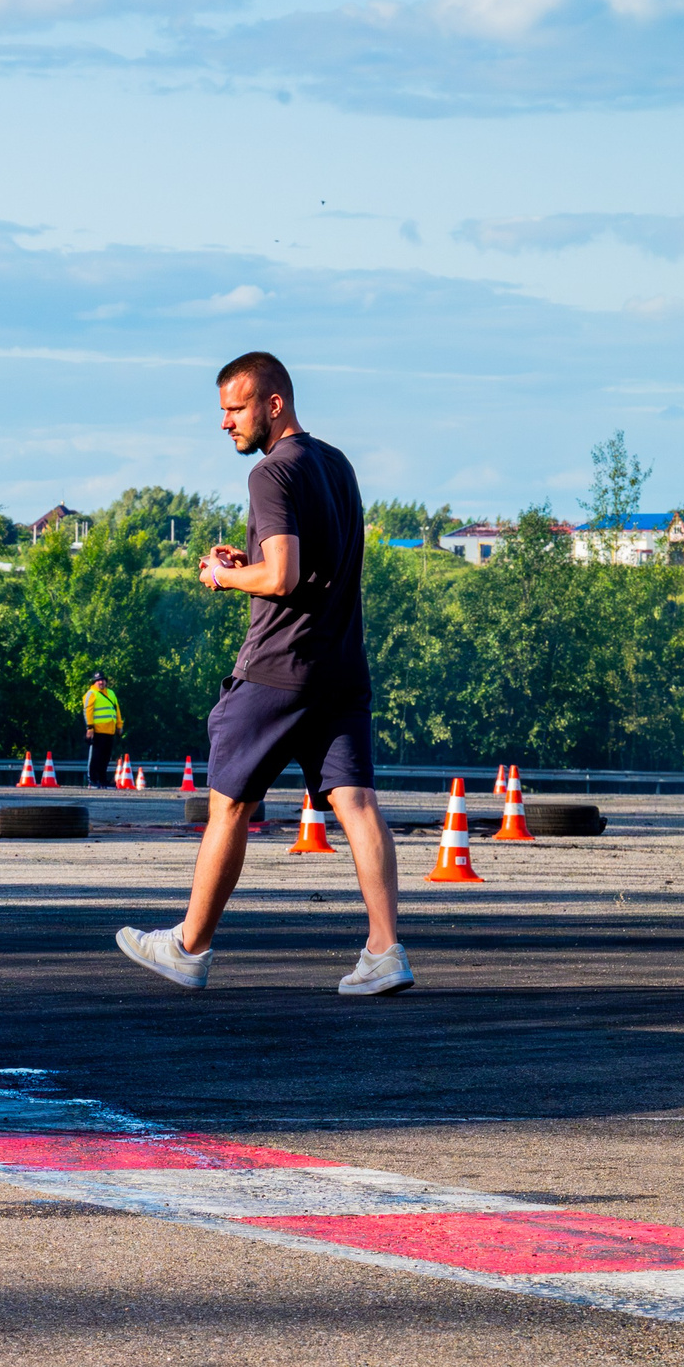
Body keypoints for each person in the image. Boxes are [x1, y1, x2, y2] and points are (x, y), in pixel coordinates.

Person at [116, 351, 411, 995]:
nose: (225, 422)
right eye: (221, 409)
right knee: (358, 805)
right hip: (340, 668)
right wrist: (245, 556)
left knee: (228, 803)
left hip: (279, 669)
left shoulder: (271, 475)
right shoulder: (337, 465)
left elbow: (280, 577)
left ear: (273, 403)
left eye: (235, 407)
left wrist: (224, 575)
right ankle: (386, 952)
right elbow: (304, 564)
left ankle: (188, 949)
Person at [80, 671, 123, 787]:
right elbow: (88, 711)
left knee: (105, 758)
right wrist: (89, 727)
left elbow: (116, 710)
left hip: (109, 731)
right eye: (98, 680)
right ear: (94, 682)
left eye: (103, 680)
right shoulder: (91, 693)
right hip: (97, 731)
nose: (101, 682)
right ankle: (92, 780)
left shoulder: (111, 693)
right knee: (95, 757)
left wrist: (119, 725)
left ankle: (102, 780)